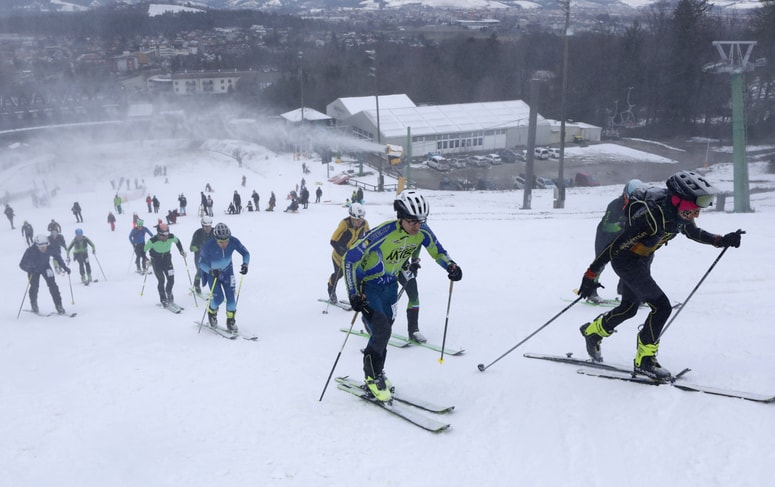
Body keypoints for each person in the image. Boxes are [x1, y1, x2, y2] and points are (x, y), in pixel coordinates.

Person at [578, 171, 744, 380]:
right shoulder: (650, 217)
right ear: (676, 200)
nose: (695, 214)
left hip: (642, 259)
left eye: (698, 210)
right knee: (662, 306)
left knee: (628, 308)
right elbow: (615, 247)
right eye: (691, 209)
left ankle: (592, 332)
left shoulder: (677, 213)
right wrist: (591, 275)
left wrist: (720, 240)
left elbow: (691, 231)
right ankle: (645, 360)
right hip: (626, 261)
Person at [343, 191, 462, 401]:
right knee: (380, 330)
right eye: (412, 221)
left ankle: (379, 372)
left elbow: (437, 251)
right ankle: (371, 379)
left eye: (420, 221)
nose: (417, 226)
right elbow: (350, 258)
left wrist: (451, 266)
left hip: (389, 288)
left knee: (384, 333)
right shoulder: (384, 232)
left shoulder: (422, 231)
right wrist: (353, 293)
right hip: (368, 287)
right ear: (400, 216)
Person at [587, 179, 644, 304]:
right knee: (600, 263)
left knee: (631, 263)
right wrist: (622, 225)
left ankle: (625, 290)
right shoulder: (614, 205)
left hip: (624, 238)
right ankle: (591, 291)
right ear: (625, 194)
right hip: (605, 236)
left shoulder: (640, 204)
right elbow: (607, 226)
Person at [198, 223, 250, 333]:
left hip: (228, 272)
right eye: (221, 242)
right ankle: (212, 312)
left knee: (231, 299)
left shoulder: (233, 241)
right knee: (219, 299)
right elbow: (201, 263)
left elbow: (246, 253)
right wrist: (211, 270)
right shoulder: (208, 246)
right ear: (215, 238)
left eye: (226, 241)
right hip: (213, 274)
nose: (224, 244)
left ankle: (231, 321)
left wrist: (245, 264)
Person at [327, 203, 370, 304]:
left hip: (353, 255)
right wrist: (343, 251)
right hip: (339, 256)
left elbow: (369, 237)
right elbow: (333, 240)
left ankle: (357, 296)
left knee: (355, 275)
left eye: (361, 219)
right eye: (356, 219)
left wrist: (365, 246)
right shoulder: (345, 224)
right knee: (339, 275)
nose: (359, 222)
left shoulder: (364, 223)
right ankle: (331, 290)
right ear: (351, 217)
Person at [20, 234, 70, 314]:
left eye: (45, 245)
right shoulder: (30, 251)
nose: (43, 248)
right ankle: (34, 304)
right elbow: (22, 264)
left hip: (45, 267)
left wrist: (65, 267)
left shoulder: (49, 248)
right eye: (41, 246)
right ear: (36, 245)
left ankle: (59, 306)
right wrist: (29, 269)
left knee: (53, 286)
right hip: (33, 270)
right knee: (34, 287)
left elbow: (58, 257)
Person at [144, 223, 186, 307]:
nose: (165, 237)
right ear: (158, 233)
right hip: (156, 261)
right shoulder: (153, 240)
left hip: (167, 260)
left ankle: (169, 294)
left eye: (166, 235)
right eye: (163, 236)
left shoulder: (171, 237)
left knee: (171, 279)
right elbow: (143, 250)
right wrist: (146, 259)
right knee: (161, 280)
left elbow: (177, 242)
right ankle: (163, 299)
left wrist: (181, 251)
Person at [190, 215, 215, 295]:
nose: (208, 228)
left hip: (211, 255)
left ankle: (215, 288)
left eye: (209, 226)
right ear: (202, 226)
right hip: (200, 256)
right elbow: (191, 248)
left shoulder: (214, 232)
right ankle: (196, 285)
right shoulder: (198, 233)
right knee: (201, 271)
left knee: (214, 271)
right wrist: (200, 247)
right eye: (206, 226)